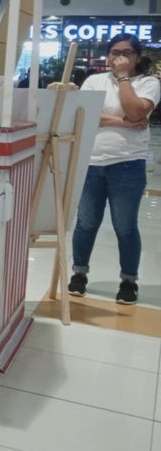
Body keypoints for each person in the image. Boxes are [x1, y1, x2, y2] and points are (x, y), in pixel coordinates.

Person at [69, 34, 160, 305]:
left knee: (125, 226)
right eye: (114, 52)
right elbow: (84, 116)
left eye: (126, 53)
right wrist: (123, 122)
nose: (118, 58)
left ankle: (129, 280)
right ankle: (79, 274)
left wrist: (122, 79)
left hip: (127, 165)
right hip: (91, 163)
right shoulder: (94, 81)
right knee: (85, 223)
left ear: (137, 57)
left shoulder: (148, 83)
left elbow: (137, 112)